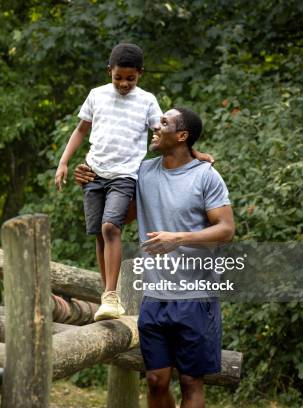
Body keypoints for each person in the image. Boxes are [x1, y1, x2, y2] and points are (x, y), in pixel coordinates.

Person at [75, 107, 235, 408]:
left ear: (182, 135)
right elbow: (123, 213)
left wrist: (179, 238)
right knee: (155, 380)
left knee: (190, 382)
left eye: (164, 123)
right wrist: (90, 180)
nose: (155, 127)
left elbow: (226, 229)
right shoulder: (143, 171)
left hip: (196, 299)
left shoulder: (206, 176)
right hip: (154, 296)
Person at [55, 43, 213, 321]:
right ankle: (108, 295)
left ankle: (112, 295)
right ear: (109, 72)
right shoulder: (96, 95)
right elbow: (81, 129)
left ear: (140, 74)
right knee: (99, 234)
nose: (124, 83)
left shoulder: (147, 100)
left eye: (131, 78)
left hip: (125, 174)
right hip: (94, 171)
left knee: (110, 226)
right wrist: (64, 162)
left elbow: (165, 131)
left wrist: (194, 152)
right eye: (118, 78)